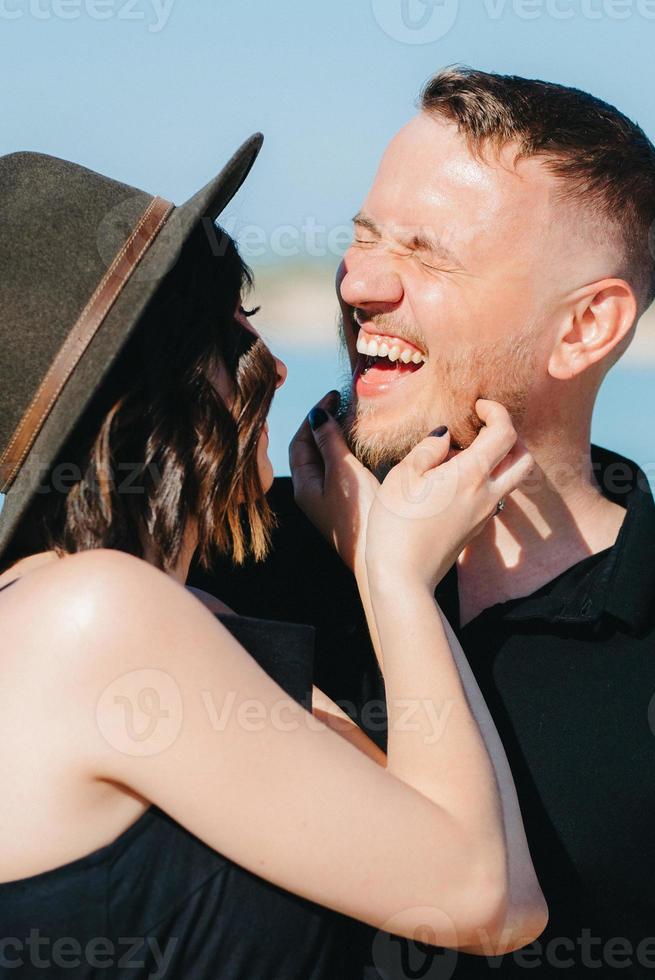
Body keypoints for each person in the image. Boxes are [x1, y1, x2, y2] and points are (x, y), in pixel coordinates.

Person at [0, 137, 546, 979]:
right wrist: (391, 579)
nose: (278, 364)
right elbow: (487, 899)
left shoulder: (157, 615)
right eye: (234, 333)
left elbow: (420, 825)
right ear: (166, 378)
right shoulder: (98, 614)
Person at [189, 69, 655, 977]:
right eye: (361, 238)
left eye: (426, 253)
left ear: (585, 327)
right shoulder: (221, 558)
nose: (358, 281)